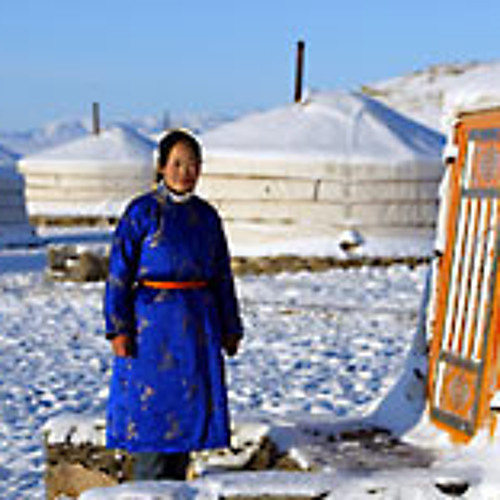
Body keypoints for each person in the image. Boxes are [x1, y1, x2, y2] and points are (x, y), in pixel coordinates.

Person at [104, 129, 243, 481]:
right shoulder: (142, 212)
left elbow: (222, 276)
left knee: (186, 421)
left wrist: (230, 327)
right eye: (177, 163)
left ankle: (177, 489)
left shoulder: (207, 217)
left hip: (197, 329)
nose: (185, 172)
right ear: (161, 166)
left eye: (193, 164)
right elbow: (118, 274)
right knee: (152, 418)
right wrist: (118, 329)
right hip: (150, 330)